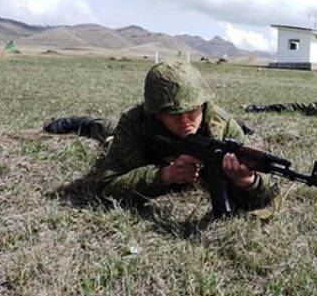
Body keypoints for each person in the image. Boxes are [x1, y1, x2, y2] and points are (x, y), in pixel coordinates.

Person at [45, 59, 276, 212]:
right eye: (174, 114)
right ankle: (85, 122)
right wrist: (164, 176)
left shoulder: (223, 125)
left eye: (192, 111)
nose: (186, 121)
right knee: (109, 131)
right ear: (156, 113)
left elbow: (264, 195)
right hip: (139, 148)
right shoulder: (136, 121)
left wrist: (247, 182)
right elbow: (105, 188)